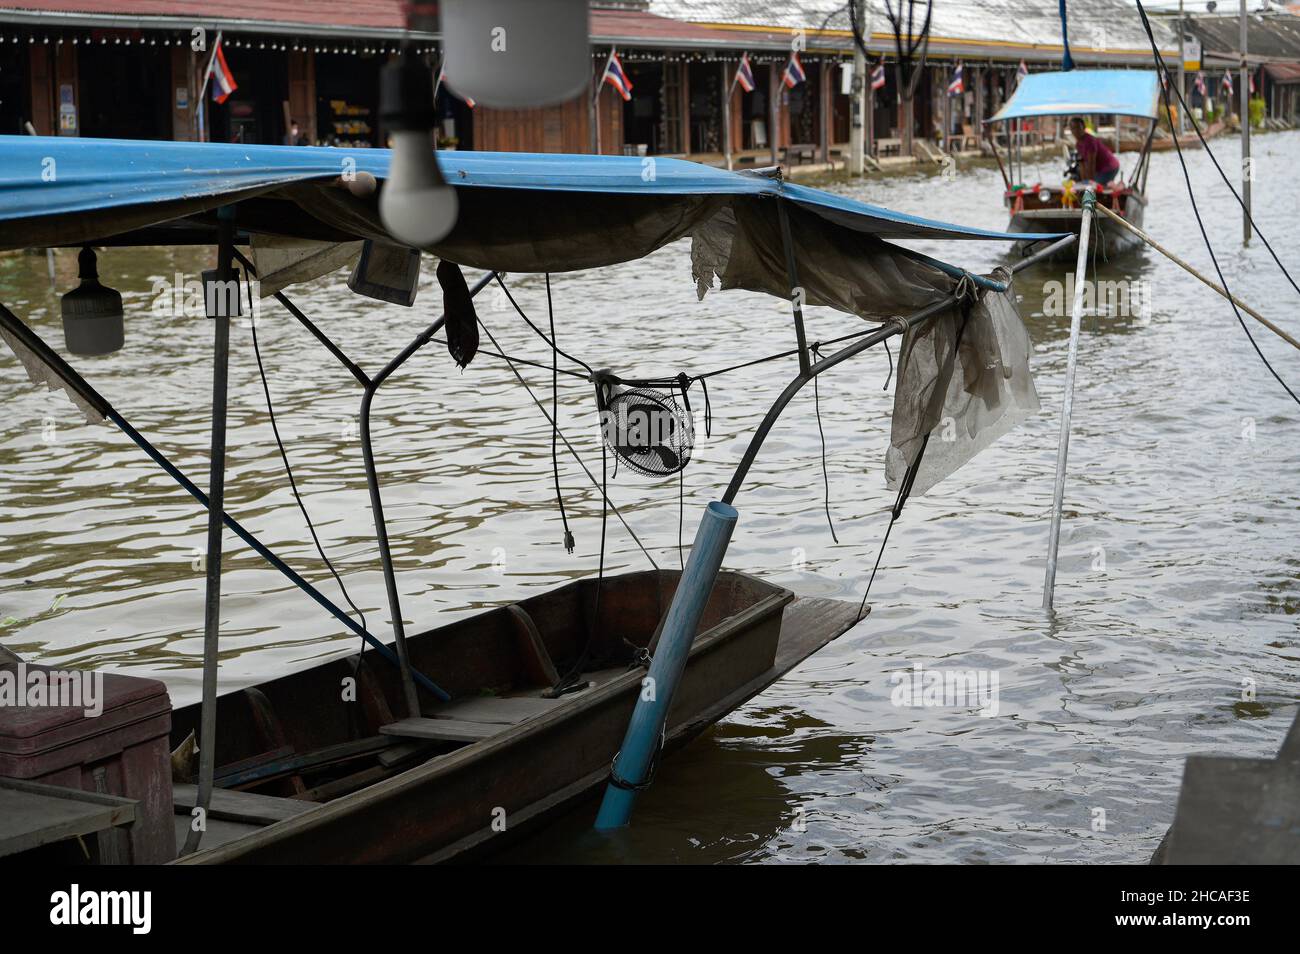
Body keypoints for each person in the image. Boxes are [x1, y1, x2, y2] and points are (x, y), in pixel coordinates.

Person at [1068, 116, 1120, 185]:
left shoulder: (1090, 142)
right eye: (1073, 128)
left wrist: (1088, 184)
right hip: (1099, 169)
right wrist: (1084, 182)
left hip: (1110, 168)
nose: (1076, 131)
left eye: (1078, 127)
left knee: (1095, 189)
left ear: (1083, 127)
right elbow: (1082, 163)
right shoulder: (1078, 144)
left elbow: (1091, 165)